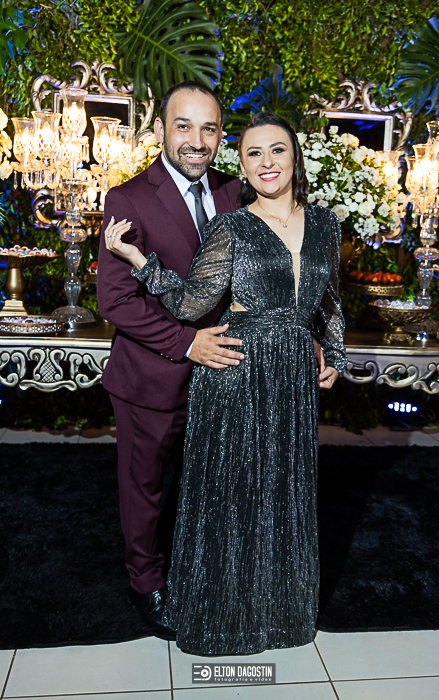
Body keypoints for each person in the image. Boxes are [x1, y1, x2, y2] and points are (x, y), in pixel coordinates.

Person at [104, 111, 346, 655]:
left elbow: (329, 299)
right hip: (235, 370)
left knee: (284, 488)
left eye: (277, 150)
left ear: (296, 156)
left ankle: (278, 609)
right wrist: (138, 258)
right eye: (254, 153)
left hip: (293, 377)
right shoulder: (231, 225)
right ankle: (221, 610)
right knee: (231, 495)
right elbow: (193, 302)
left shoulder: (326, 224)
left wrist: (333, 351)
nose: (267, 162)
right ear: (242, 165)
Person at [97, 81, 245, 641]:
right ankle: (145, 582)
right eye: (183, 126)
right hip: (152, 375)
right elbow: (116, 301)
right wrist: (187, 343)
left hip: (223, 374)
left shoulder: (235, 193)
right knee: (146, 486)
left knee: (206, 481)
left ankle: (198, 567)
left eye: (209, 128)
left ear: (221, 135)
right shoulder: (128, 199)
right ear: (160, 129)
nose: (196, 140)